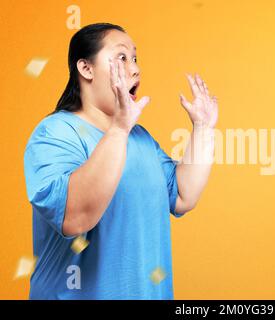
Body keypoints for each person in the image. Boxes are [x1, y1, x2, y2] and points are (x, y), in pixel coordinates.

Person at [23, 22, 218, 299]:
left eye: (135, 58)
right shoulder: (54, 134)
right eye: (122, 57)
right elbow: (74, 218)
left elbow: (183, 196)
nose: (135, 68)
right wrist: (118, 128)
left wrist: (203, 129)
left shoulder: (140, 139)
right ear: (86, 68)